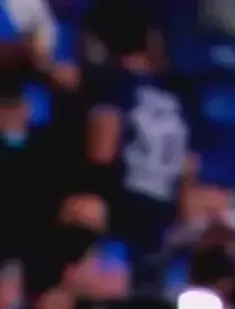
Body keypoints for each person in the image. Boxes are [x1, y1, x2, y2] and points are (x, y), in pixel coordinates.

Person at [73, 0, 201, 293]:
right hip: (165, 216)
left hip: (119, 216)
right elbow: (189, 167)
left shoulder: (107, 84)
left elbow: (101, 152)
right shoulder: (180, 91)